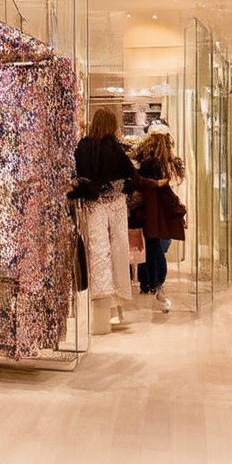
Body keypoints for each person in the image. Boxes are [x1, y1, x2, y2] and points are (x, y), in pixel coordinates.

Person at [73, 109, 137, 325]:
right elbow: (131, 177)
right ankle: (115, 306)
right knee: (118, 250)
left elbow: (80, 178)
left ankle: (102, 304)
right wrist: (119, 187)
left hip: (93, 205)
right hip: (115, 204)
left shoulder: (83, 146)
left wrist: (91, 189)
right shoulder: (115, 148)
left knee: (98, 251)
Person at [133, 125, 187, 312]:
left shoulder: (148, 162)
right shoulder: (164, 164)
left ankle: (148, 282)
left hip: (148, 208)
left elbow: (138, 182)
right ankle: (156, 282)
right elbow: (165, 188)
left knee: (149, 245)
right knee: (155, 246)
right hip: (156, 209)